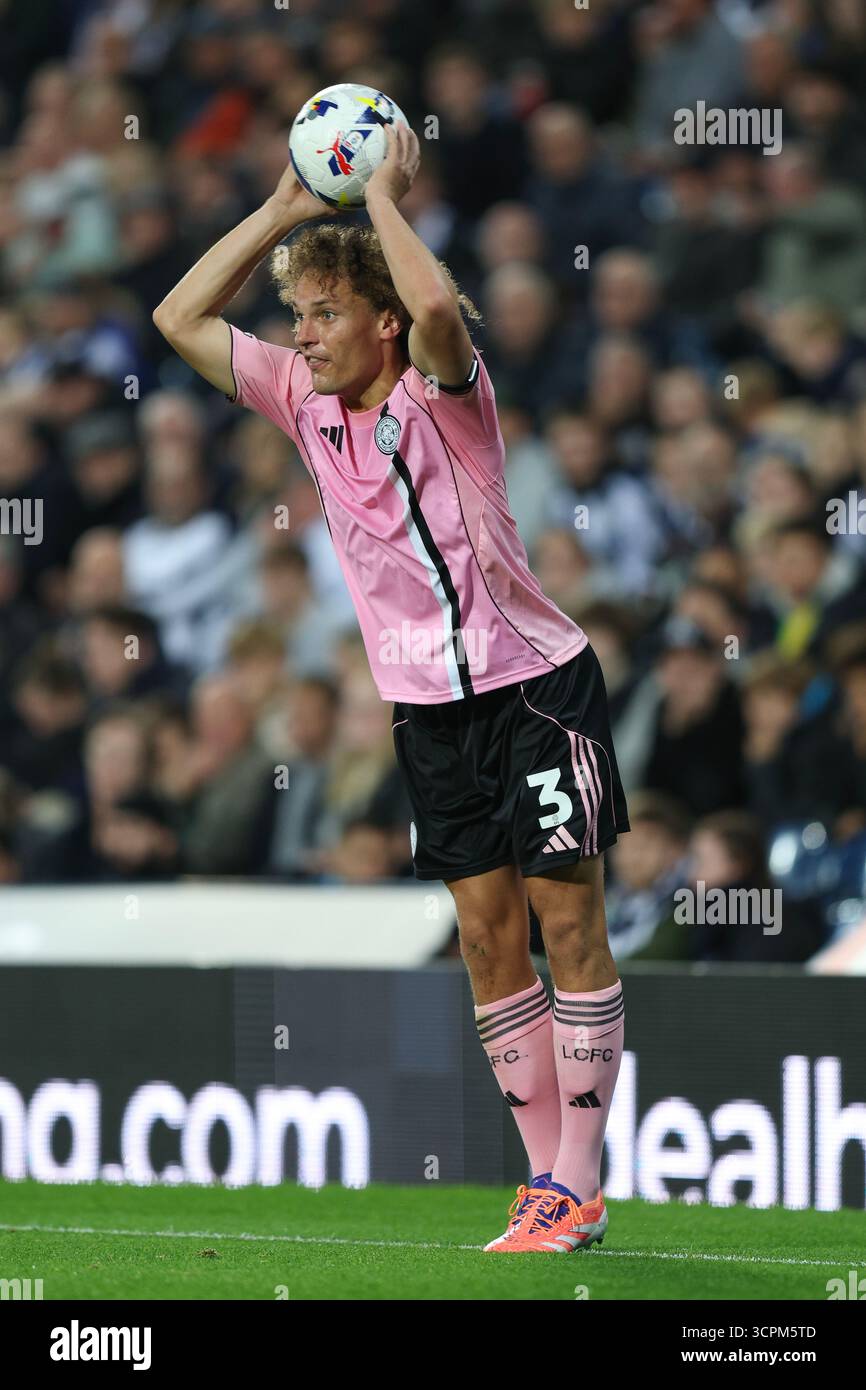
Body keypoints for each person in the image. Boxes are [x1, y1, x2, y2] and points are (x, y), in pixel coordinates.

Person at [153, 122, 630, 1255]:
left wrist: (379, 202)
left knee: (566, 913)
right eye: (294, 318)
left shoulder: (445, 395)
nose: (300, 336)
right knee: (481, 938)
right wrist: (277, 209)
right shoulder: (299, 404)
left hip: (534, 685)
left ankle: (577, 1177)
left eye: (320, 314)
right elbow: (176, 320)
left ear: (372, 321)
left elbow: (434, 315)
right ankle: (540, 1181)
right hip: (426, 711)